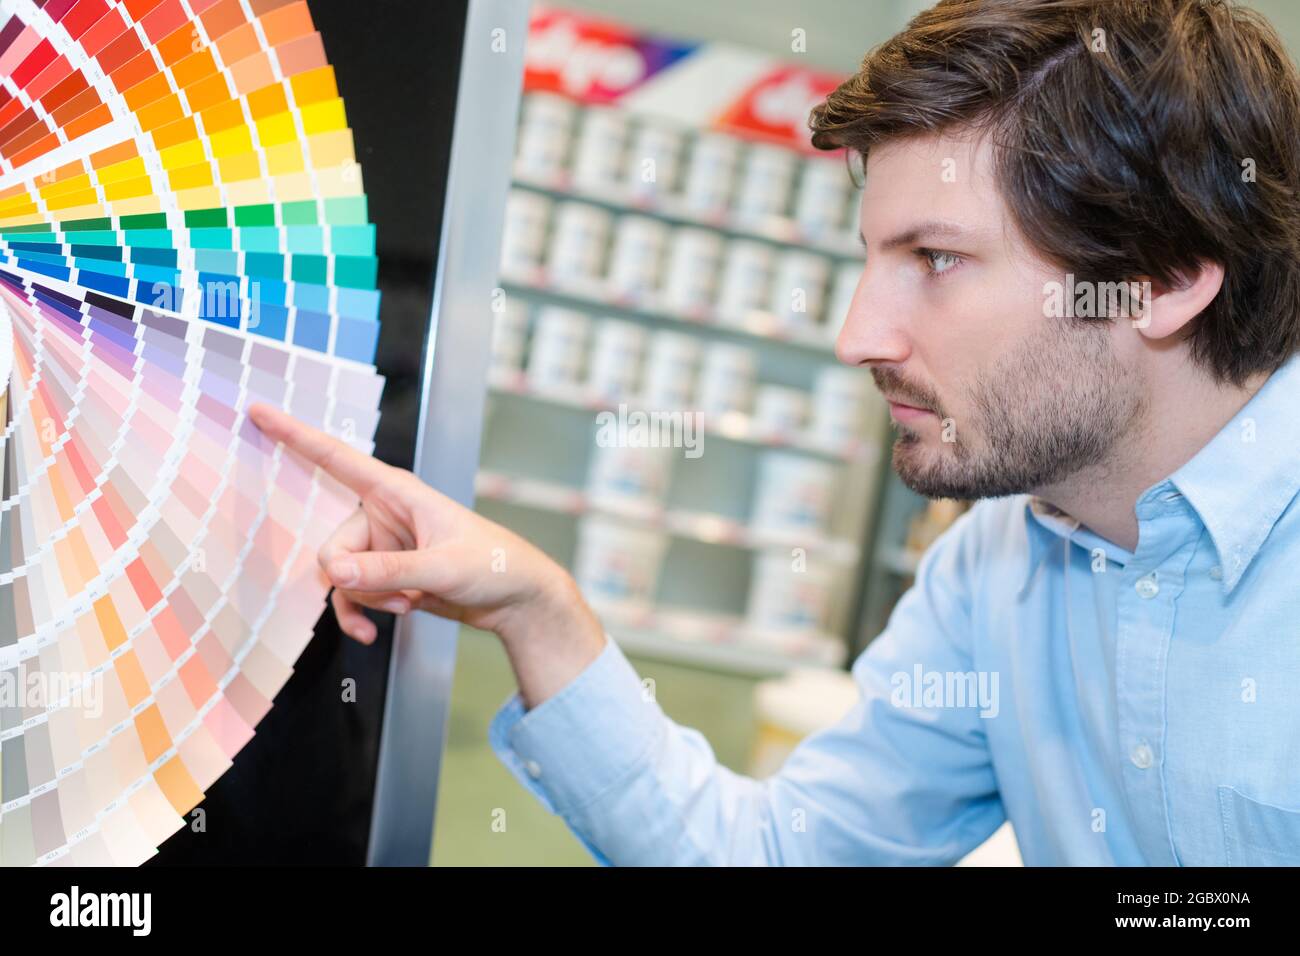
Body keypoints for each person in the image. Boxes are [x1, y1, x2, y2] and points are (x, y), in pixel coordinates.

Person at [250, 0, 1300, 865]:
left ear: (1155, 281)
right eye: (871, 256)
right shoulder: (998, 566)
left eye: (935, 258)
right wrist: (540, 608)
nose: (857, 336)